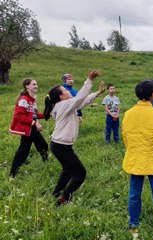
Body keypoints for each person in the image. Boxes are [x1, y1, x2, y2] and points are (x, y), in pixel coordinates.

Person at [44, 70, 105, 205]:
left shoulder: (66, 105)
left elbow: (82, 101)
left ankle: (56, 192)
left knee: (67, 170)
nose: (68, 91)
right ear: (61, 97)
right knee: (80, 174)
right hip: (60, 146)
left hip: (60, 145)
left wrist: (97, 93)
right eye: (65, 91)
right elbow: (79, 98)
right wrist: (89, 80)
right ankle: (64, 200)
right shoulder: (63, 105)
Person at [122, 80, 153, 237]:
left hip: (135, 158)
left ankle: (133, 225)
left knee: (134, 193)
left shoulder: (128, 114)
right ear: (152, 95)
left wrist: (132, 151)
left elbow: (126, 137)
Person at [9, 79, 49, 178]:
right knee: (23, 152)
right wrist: (34, 123)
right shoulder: (24, 99)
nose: (36, 86)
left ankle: (47, 165)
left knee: (43, 145)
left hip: (32, 129)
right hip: (27, 130)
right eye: (34, 84)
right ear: (27, 86)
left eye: (37, 84)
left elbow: (34, 114)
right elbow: (18, 115)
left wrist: (47, 115)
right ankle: (12, 175)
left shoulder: (32, 100)